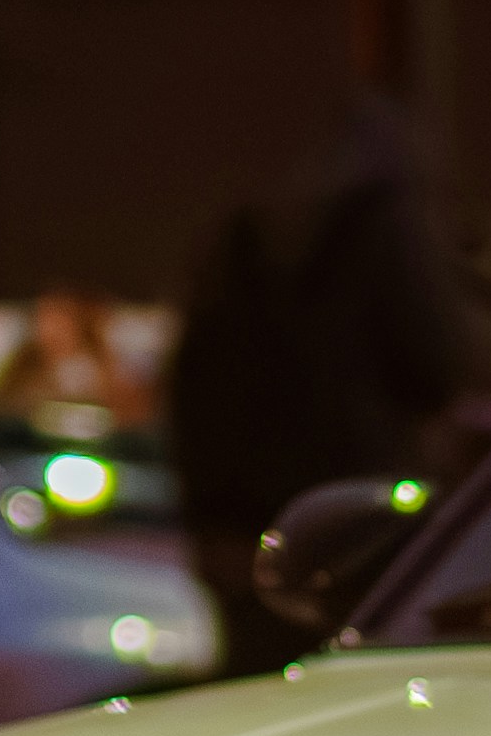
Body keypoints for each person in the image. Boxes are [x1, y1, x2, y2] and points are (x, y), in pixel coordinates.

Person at [167, 91, 468, 670]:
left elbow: (194, 393)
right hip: (358, 522)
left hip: (249, 531)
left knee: (264, 691)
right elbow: (434, 366)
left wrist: (210, 521)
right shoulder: (382, 235)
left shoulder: (238, 251)